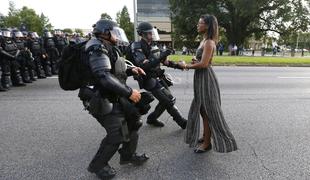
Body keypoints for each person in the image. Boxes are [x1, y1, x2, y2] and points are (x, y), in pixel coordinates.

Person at [81, 19, 149, 179]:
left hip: (113, 94)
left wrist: (132, 70)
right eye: (115, 32)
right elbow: (103, 76)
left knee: (134, 121)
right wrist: (129, 92)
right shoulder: (95, 48)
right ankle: (97, 165)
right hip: (99, 97)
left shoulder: (109, 47)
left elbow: (115, 70)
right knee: (116, 133)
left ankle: (127, 155)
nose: (118, 36)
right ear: (105, 32)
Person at [179, 14, 238, 153]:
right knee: (201, 109)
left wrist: (186, 66)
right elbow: (202, 61)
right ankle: (206, 136)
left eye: (200, 23)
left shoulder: (209, 42)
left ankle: (207, 144)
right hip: (201, 78)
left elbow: (205, 64)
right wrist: (195, 60)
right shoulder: (204, 40)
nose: (198, 25)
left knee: (207, 111)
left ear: (207, 26)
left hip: (206, 79)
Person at [130, 22, 187, 129]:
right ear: (143, 34)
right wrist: (161, 56)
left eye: (152, 33)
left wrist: (179, 66)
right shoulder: (137, 46)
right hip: (148, 79)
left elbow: (165, 62)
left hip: (158, 76)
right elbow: (145, 66)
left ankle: (152, 118)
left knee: (169, 99)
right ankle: (182, 122)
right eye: (149, 33)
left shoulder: (154, 46)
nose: (152, 35)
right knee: (168, 101)